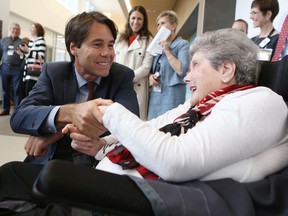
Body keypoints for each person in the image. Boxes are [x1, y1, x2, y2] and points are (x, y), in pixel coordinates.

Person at [0, 28, 287, 216]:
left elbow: (176, 160)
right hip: (113, 182)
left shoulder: (260, 102)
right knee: (11, 174)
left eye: (196, 66)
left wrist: (107, 111)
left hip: (134, 200)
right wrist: (101, 147)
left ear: (226, 69)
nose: (186, 77)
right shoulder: (200, 104)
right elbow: (152, 129)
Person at [9, 11, 139, 165]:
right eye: (97, 44)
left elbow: (129, 124)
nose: (107, 53)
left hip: (99, 164)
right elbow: (19, 117)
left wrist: (55, 133)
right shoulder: (54, 73)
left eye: (110, 45)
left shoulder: (122, 75)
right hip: (52, 159)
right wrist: (70, 113)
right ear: (74, 48)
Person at [147, 10, 190, 120]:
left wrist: (167, 50)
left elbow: (182, 70)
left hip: (173, 94)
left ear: (173, 25)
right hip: (156, 93)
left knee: (169, 125)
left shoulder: (182, 44)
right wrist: (150, 77)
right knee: (153, 125)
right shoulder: (157, 45)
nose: (159, 27)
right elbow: (153, 69)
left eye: (162, 23)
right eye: (158, 25)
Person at [114, 5, 153, 120]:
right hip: (118, 84)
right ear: (129, 19)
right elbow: (113, 59)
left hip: (137, 85)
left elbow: (146, 67)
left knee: (135, 121)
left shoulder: (148, 40)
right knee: (118, 119)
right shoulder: (119, 38)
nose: (136, 22)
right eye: (133, 18)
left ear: (144, 21)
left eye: (139, 19)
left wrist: (127, 78)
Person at [0, 23, 24, 116]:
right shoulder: (3, 40)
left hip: (17, 68)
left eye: (18, 29)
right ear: (10, 29)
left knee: (17, 90)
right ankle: (5, 109)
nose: (15, 30)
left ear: (20, 31)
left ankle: (17, 111)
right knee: (5, 90)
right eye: (14, 28)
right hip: (5, 67)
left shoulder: (22, 42)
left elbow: (25, 56)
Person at [19, 23, 46, 97]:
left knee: (30, 93)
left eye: (32, 28)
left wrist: (28, 50)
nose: (30, 29)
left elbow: (41, 56)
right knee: (25, 93)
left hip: (34, 72)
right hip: (27, 71)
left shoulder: (41, 41)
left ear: (38, 29)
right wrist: (22, 53)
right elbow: (29, 56)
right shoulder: (31, 41)